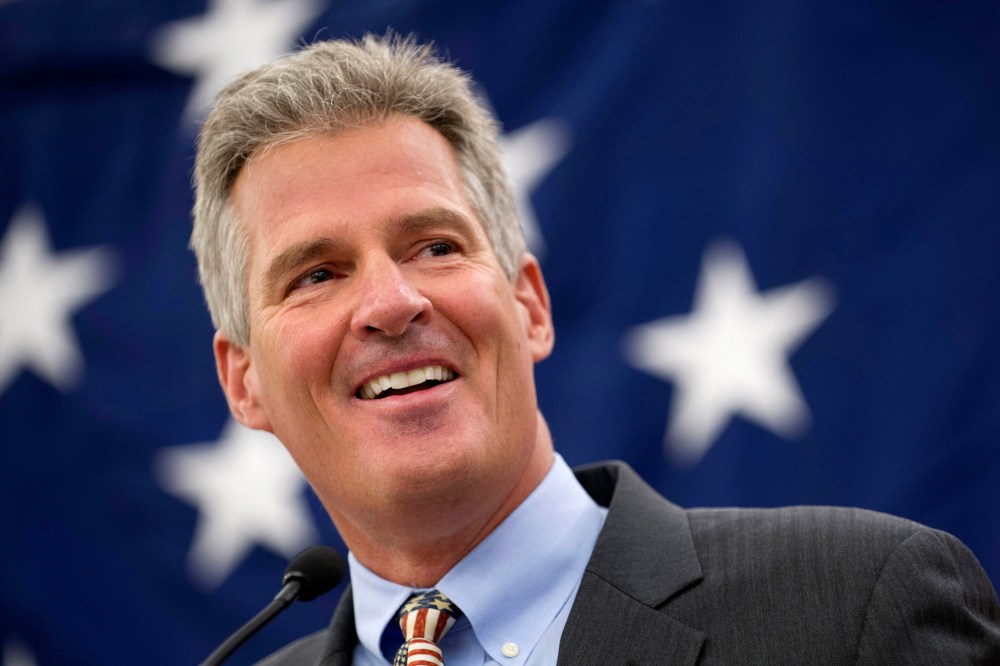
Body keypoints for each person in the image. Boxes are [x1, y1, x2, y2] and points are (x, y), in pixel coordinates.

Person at [190, 33, 1000, 665]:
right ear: (244, 383)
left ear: (530, 306)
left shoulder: (856, 608)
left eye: (435, 247)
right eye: (318, 274)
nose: (393, 303)